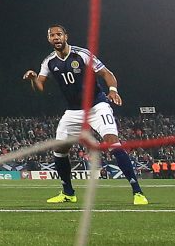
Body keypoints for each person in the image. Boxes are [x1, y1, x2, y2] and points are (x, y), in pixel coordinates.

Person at [23, 24, 149, 205]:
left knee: (112, 141)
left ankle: (137, 192)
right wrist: (34, 79)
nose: (56, 37)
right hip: (74, 111)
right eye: (52, 35)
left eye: (59, 34)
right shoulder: (49, 62)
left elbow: (106, 73)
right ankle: (68, 193)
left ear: (66, 36)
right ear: (49, 39)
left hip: (97, 106)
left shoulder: (82, 54)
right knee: (59, 150)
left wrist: (112, 90)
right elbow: (40, 88)